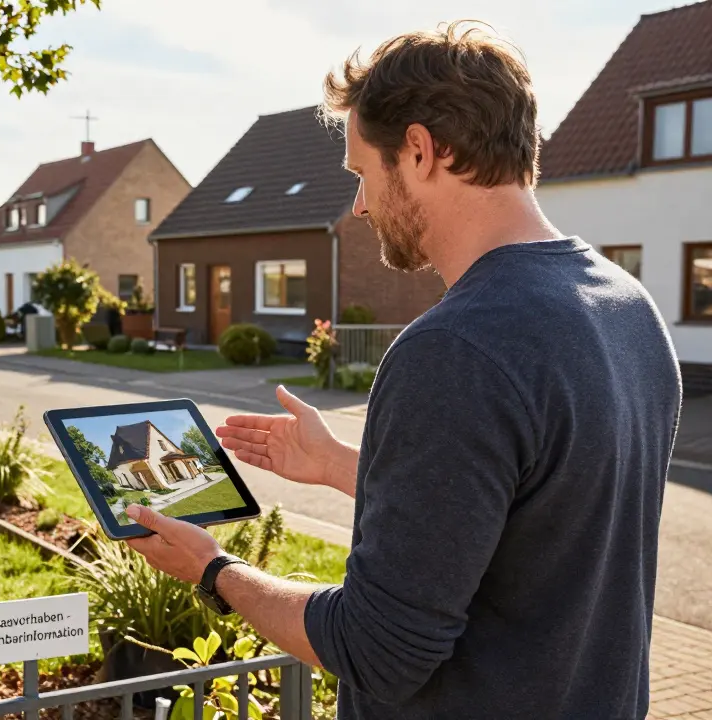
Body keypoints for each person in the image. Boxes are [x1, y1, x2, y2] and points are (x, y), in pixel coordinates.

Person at [123, 21, 682, 719]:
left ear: (420, 150)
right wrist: (341, 466)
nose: (358, 204)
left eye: (362, 172)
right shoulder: (629, 309)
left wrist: (213, 570)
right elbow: (532, 517)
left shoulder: (455, 350)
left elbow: (377, 648)